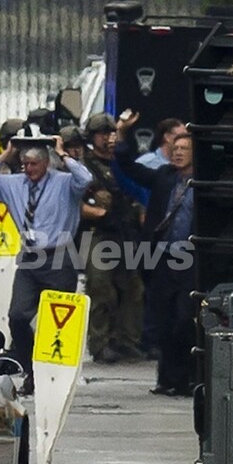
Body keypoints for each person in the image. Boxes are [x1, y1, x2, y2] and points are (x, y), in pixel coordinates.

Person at [0, 137, 93, 395]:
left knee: (57, 323)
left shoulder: (64, 182)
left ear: (45, 163)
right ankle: (30, 370)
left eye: (33, 164)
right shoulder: (13, 184)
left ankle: (55, 376)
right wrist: (5, 154)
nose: (28, 169)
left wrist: (63, 155)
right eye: (25, 164)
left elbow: (85, 179)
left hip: (59, 255)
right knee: (18, 316)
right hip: (29, 257)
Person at [115, 121, 195, 397]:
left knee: (185, 319)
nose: (178, 153)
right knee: (163, 321)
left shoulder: (205, 183)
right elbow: (129, 168)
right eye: (175, 148)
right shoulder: (164, 176)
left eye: (184, 148)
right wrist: (122, 135)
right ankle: (166, 379)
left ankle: (186, 377)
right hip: (161, 257)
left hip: (190, 260)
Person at [80, 113, 144, 364]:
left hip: (125, 231)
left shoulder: (122, 163)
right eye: (102, 134)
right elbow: (76, 202)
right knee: (100, 286)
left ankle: (127, 340)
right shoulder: (85, 166)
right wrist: (98, 212)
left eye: (111, 133)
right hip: (98, 232)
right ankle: (100, 343)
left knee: (133, 287)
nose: (108, 138)